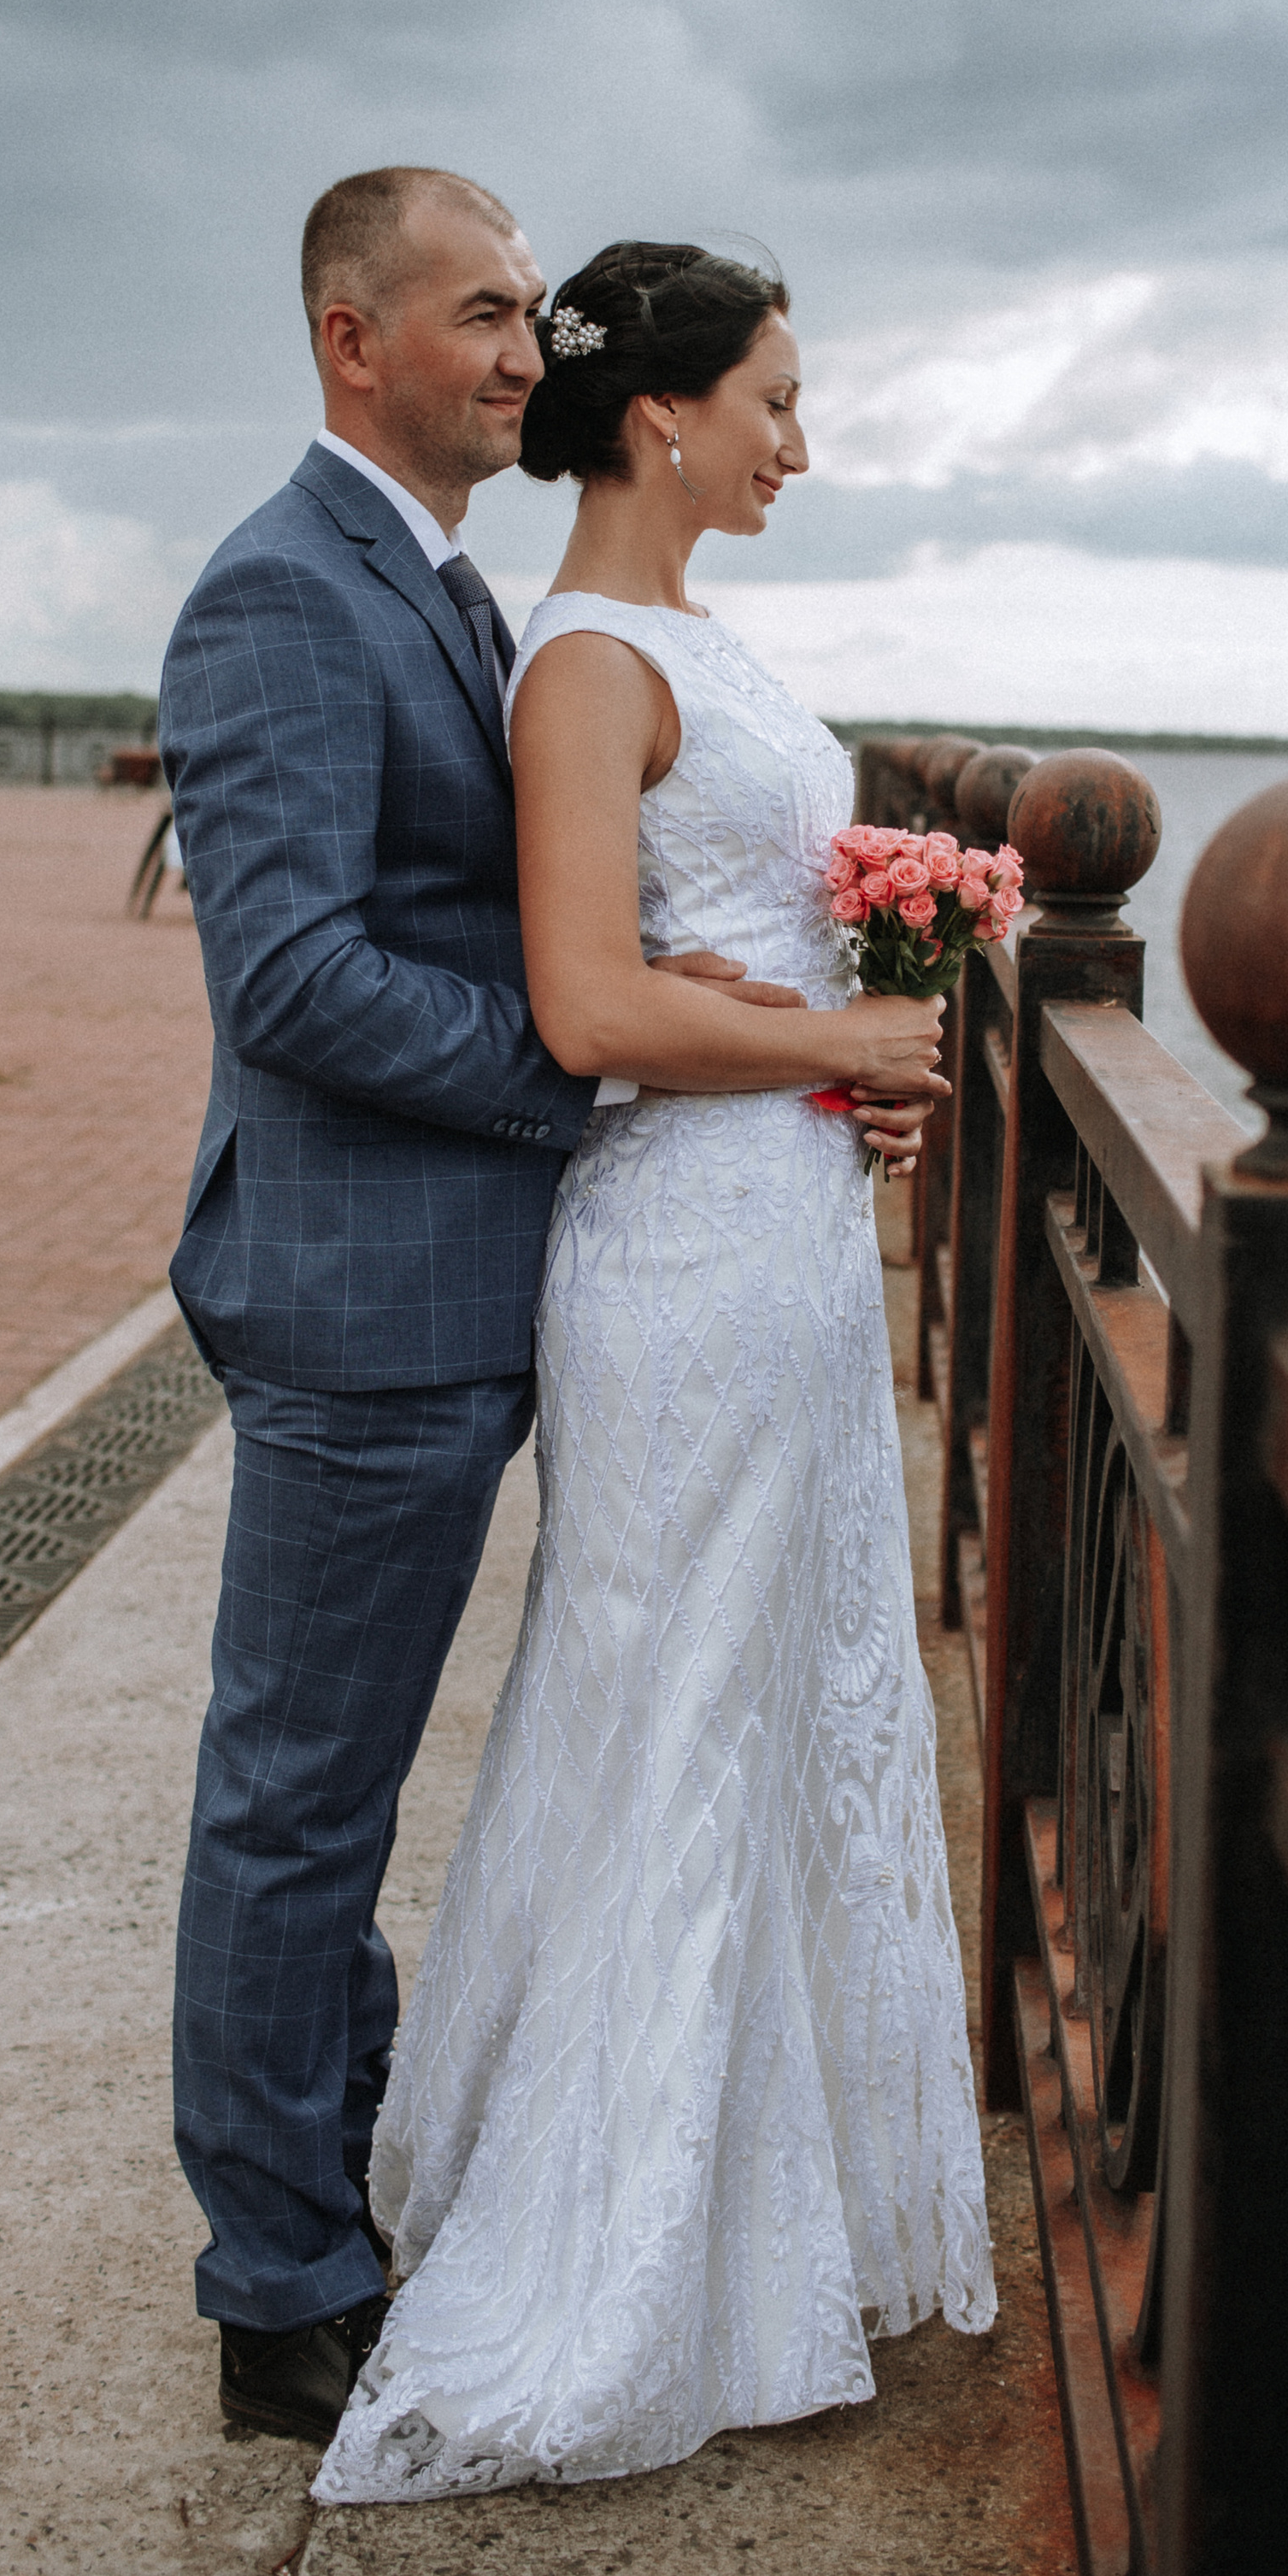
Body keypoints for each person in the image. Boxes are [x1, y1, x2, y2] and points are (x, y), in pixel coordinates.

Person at [160, 172, 943, 2448]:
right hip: (362, 1286)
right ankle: (277, 2285)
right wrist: (598, 1059)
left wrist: (781, 1042)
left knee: (407, 1775)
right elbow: (296, 977)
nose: (526, 353)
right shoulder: (282, 597)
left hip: (529, 1268)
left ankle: (382, 2180)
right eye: (483, 315)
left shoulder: (457, 598)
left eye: (533, 318)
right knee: (299, 1796)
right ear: (350, 339)